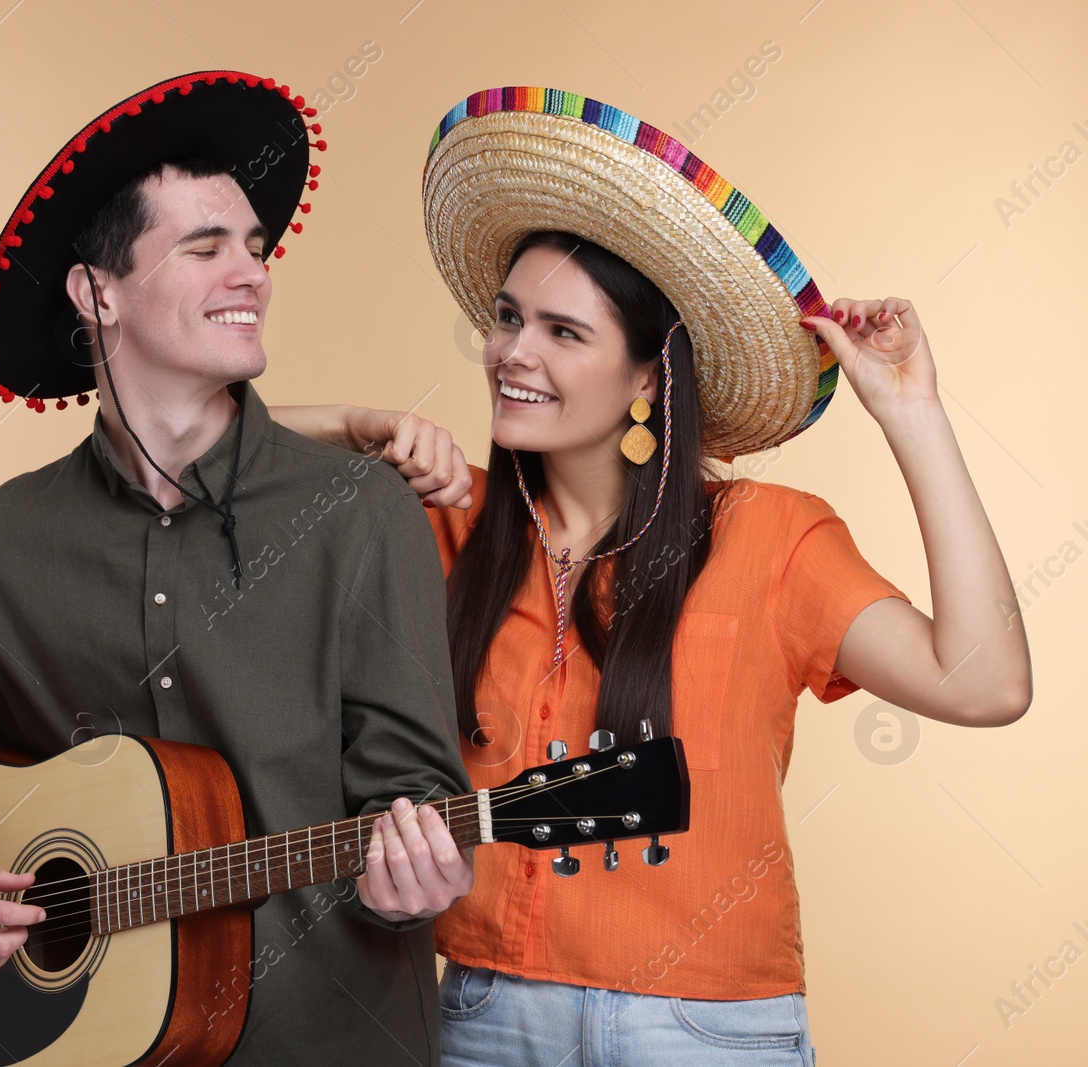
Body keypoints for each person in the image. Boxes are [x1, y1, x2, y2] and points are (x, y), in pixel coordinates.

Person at [274, 86, 1031, 1065]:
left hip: (709, 1029)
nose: (512, 352)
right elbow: (178, 459)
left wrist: (912, 414)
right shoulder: (443, 521)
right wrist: (351, 426)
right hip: (487, 1017)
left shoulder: (771, 535)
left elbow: (984, 681)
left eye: (562, 331)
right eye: (507, 318)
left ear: (645, 378)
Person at [0, 70, 474, 1065]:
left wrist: (424, 870)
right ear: (96, 292)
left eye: (255, 247)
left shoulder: (360, 509)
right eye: (203, 247)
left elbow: (420, 799)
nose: (252, 273)